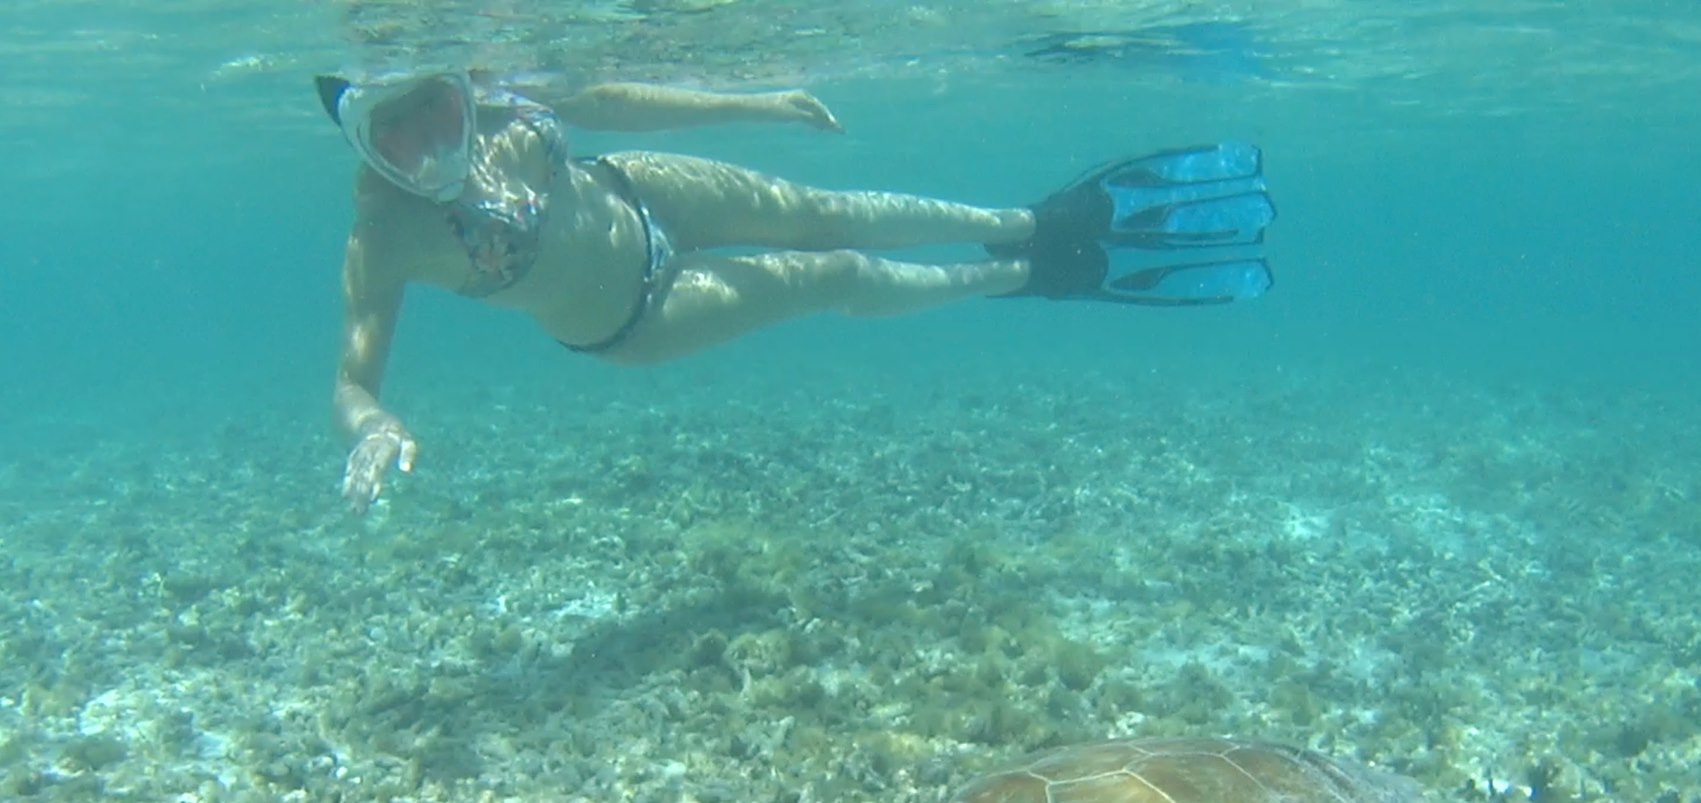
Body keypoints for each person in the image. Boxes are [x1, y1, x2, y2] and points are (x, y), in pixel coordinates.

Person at [317, 70, 1276, 511]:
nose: (439, 146)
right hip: (636, 314)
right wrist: (374, 428)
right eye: (401, 138)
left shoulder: (504, 102)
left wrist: (756, 102)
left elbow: (610, 102)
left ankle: (1033, 222)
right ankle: (1018, 276)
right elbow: (352, 380)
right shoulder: (385, 238)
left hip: (637, 189)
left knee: (829, 209)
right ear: (366, 147)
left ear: (456, 90)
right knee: (837, 274)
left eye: (441, 112)